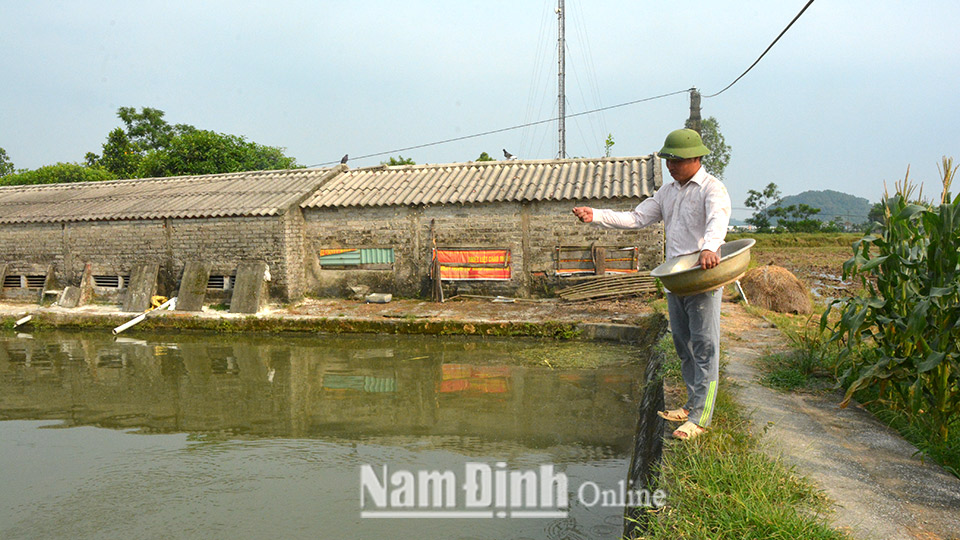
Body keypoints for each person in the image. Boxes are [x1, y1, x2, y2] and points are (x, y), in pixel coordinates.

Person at [572, 128, 731, 440]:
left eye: (677, 160)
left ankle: (701, 417)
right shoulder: (668, 192)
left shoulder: (712, 189)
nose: (671, 165)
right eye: (668, 159)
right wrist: (596, 215)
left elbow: (718, 220)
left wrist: (711, 248)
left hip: (702, 277)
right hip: (675, 280)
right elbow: (636, 218)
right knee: (683, 345)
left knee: (705, 347)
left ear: (696, 158)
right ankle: (690, 404)